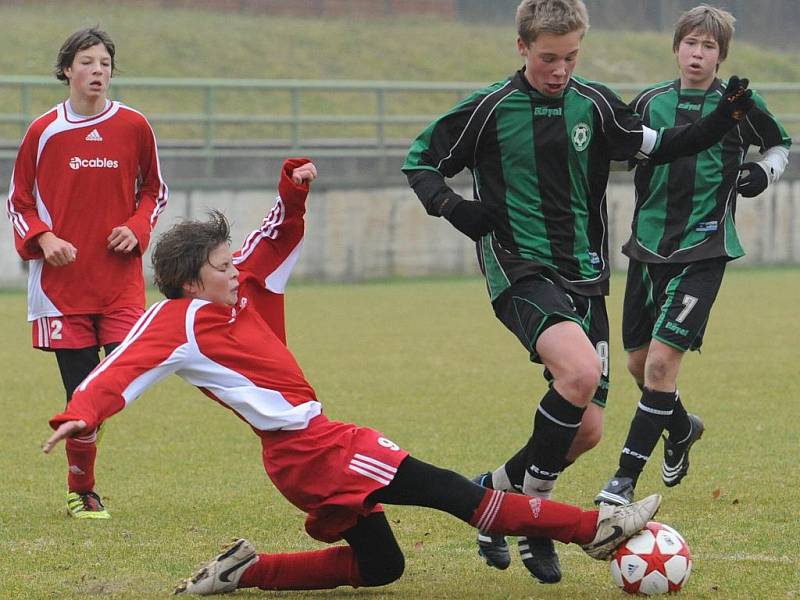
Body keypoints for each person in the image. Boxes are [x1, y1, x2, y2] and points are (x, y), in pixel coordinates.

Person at [43, 158, 661, 595]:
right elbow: (125, 364)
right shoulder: (179, 318)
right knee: (457, 494)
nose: (235, 270)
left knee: (382, 568)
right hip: (315, 450)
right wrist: (85, 409)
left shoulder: (237, 291)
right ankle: (596, 529)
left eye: (231, 261)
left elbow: (272, 236)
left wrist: (292, 193)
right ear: (189, 281)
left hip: (308, 452)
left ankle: (244, 572)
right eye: (221, 266)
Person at [402, 0, 754, 584]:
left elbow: (658, 144)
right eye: (547, 58)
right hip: (518, 264)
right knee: (580, 373)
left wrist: (720, 123)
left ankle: (490, 495)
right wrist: (452, 206)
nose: (560, 69)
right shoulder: (490, 108)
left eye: (570, 57)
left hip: (585, 272)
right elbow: (421, 161)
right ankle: (539, 521)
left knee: (586, 429)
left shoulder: (593, 104)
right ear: (521, 47)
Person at [593, 5, 791, 507]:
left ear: (721, 55)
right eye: (691, 44)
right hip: (646, 247)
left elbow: (781, 144)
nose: (698, 54)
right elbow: (620, 149)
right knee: (639, 366)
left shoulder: (741, 104)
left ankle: (622, 481)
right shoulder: (651, 102)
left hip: (704, 248)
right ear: (677, 47)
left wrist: (763, 173)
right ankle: (680, 428)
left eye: (708, 47)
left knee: (661, 366)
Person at [6, 27, 168, 519]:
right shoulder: (43, 130)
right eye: (87, 62)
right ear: (67, 70)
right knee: (80, 397)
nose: (97, 71)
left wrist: (137, 228)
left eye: (104, 63)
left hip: (120, 285)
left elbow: (155, 192)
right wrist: (45, 239)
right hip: (62, 291)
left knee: (112, 388)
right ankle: (83, 489)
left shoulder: (135, 125)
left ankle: (84, 455)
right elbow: (19, 202)